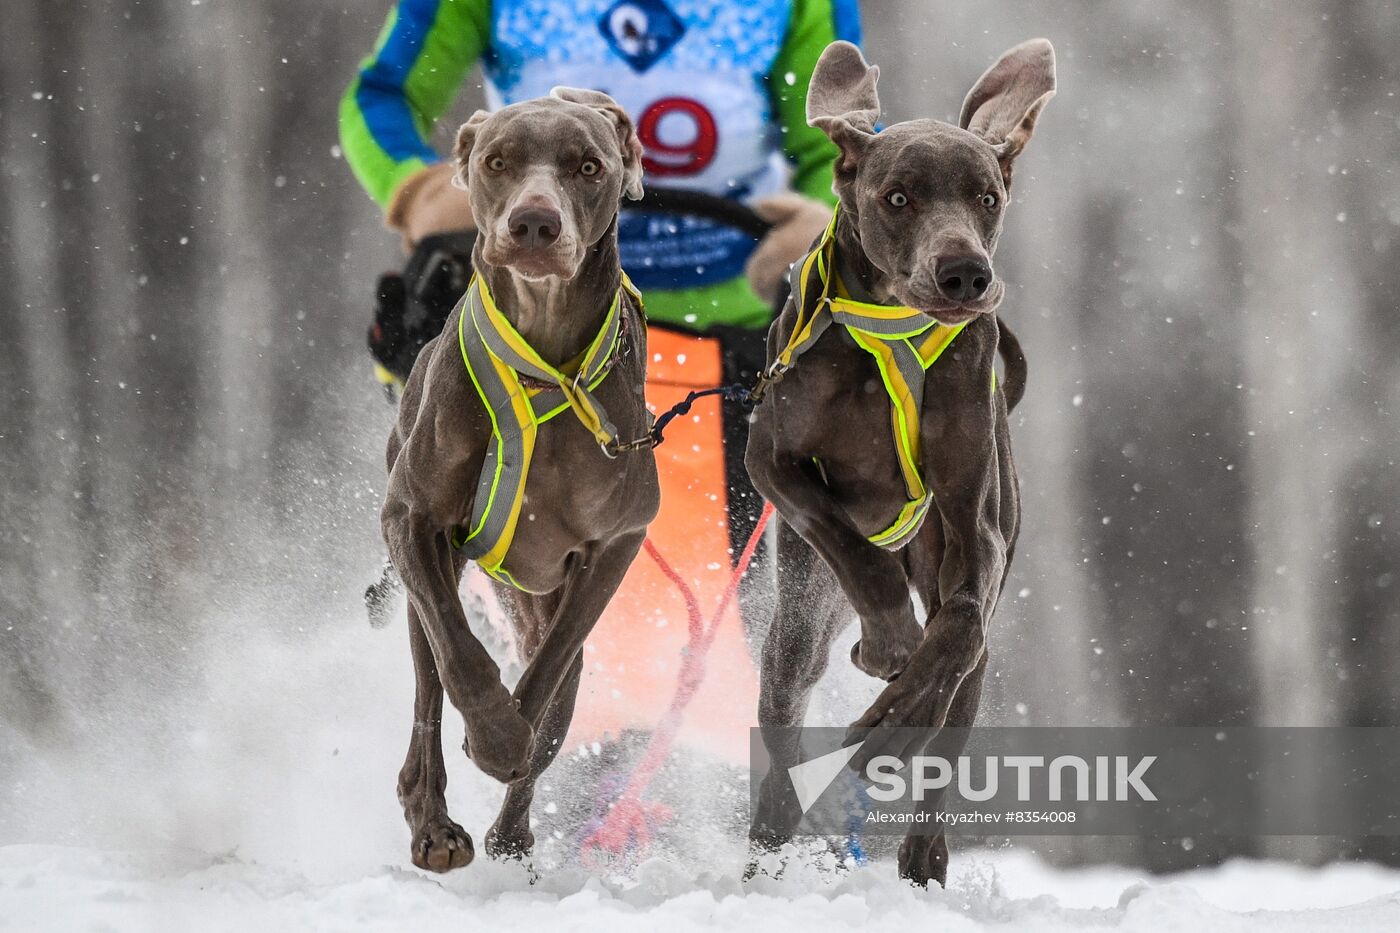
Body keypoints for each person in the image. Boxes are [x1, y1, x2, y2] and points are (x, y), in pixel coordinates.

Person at [341, 0, 862, 753]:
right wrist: (418, 187)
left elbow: (835, 133)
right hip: (528, 330)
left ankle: (762, 775)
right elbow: (383, 95)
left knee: (765, 596)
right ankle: (537, 745)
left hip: (731, 323)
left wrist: (821, 211)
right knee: (490, 548)